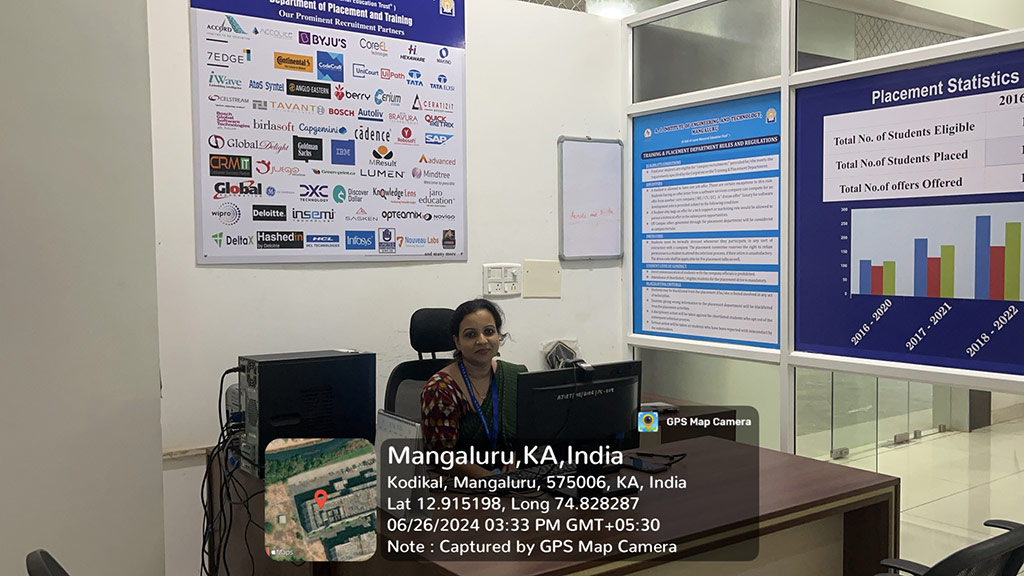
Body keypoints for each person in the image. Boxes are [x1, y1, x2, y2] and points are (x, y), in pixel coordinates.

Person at [420, 298, 527, 478]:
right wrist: (491, 481)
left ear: (498, 335)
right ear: (457, 342)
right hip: (459, 486)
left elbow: (530, 434)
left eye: (489, 331)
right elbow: (442, 459)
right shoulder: (440, 389)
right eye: (471, 334)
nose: (482, 340)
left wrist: (517, 459)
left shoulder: (516, 376)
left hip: (514, 480)